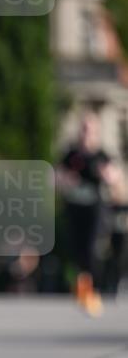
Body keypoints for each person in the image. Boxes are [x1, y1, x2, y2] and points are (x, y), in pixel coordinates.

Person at [57, 111, 121, 316]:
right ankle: (82, 290)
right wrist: (65, 180)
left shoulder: (102, 155)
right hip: (75, 208)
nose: (86, 134)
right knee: (77, 250)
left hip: (95, 209)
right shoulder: (71, 155)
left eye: (90, 130)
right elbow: (56, 178)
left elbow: (115, 177)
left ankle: (93, 290)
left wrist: (107, 175)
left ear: (96, 132)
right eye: (84, 129)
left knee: (93, 248)